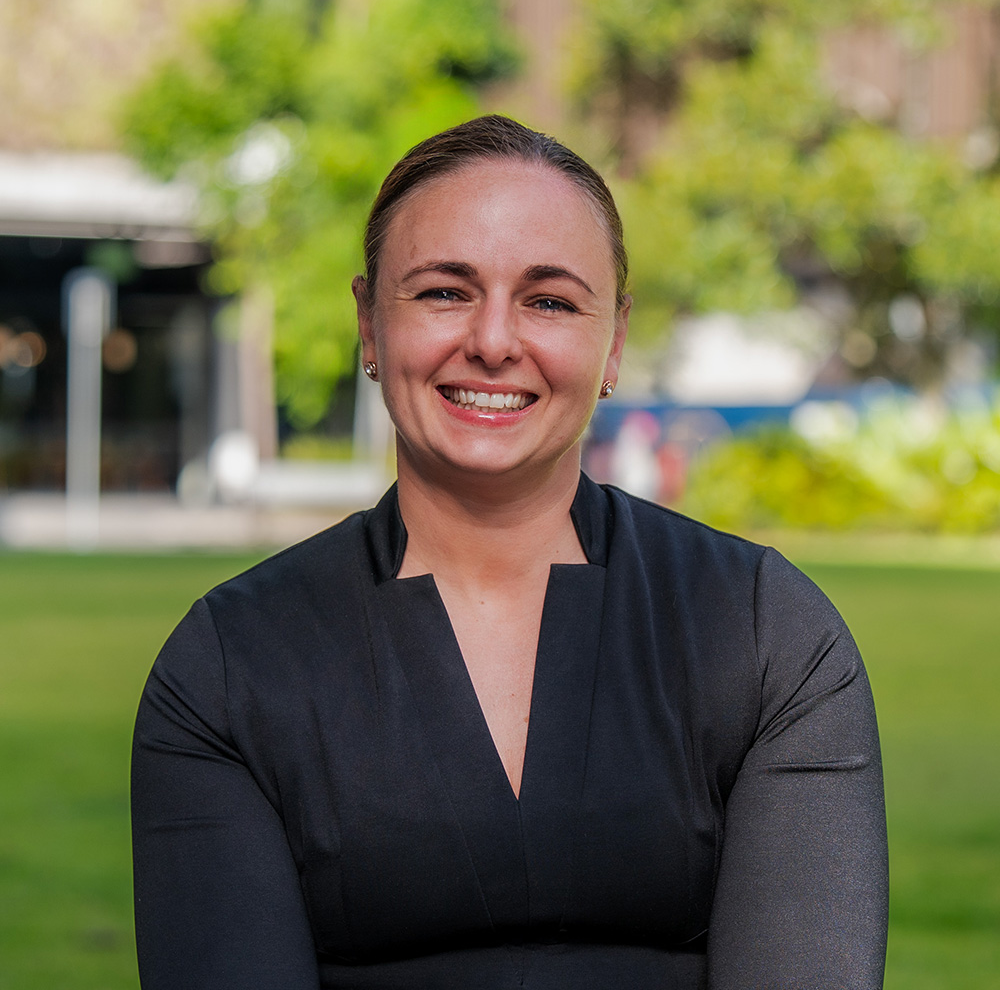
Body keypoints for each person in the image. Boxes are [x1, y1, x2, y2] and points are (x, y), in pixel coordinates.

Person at [131, 115, 888, 989]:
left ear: (614, 342)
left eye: (551, 301)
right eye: (444, 292)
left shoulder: (765, 635)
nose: (494, 342)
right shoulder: (230, 666)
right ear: (371, 327)